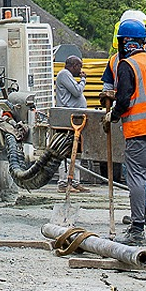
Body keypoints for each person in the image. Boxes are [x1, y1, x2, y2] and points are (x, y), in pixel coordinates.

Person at [104, 17, 146, 247]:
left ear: (126, 42)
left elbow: (123, 99)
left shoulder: (128, 65)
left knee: (137, 178)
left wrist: (112, 116)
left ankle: (137, 229)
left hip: (139, 131)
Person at [55, 55, 89, 191]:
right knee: (67, 149)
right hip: (68, 117)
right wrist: (83, 80)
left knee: (77, 149)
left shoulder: (68, 75)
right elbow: (77, 91)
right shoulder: (64, 74)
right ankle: (64, 182)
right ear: (73, 66)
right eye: (79, 67)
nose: (80, 70)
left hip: (76, 117)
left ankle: (74, 181)